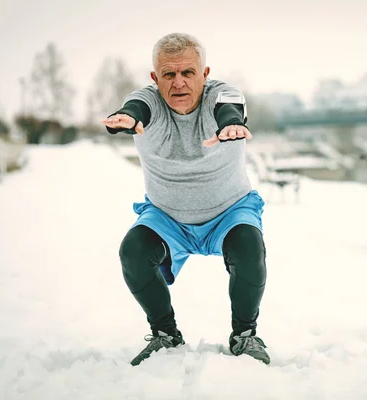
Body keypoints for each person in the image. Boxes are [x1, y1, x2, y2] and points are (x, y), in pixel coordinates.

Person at [102, 32, 269, 366]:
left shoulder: (223, 93)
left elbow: (230, 108)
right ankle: (165, 334)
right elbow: (138, 108)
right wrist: (130, 117)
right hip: (167, 216)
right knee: (132, 251)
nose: (178, 83)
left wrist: (231, 124)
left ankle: (244, 336)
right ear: (156, 77)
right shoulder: (148, 100)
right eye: (169, 74)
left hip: (229, 211)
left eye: (188, 73)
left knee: (249, 248)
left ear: (204, 74)